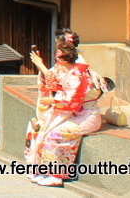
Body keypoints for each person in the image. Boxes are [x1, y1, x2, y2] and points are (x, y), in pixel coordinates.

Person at [25, 40, 103, 187]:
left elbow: (71, 101)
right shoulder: (73, 70)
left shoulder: (77, 74)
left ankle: (56, 175)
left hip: (87, 116)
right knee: (40, 129)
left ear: (61, 58)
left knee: (54, 134)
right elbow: (55, 83)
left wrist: (52, 101)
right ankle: (43, 171)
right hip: (76, 114)